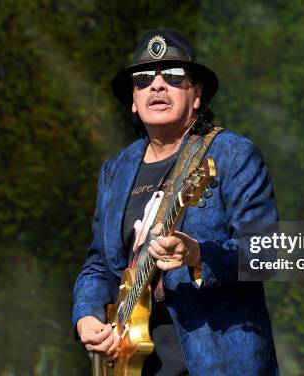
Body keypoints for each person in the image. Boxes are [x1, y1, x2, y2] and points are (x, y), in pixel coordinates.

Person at [72, 28, 279, 375]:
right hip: (134, 362)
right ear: (133, 103)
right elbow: (97, 265)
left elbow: (265, 252)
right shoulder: (116, 170)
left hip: (217, 362)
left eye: (172, 76)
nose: (156, 85)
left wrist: (199, 255)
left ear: (196, 94)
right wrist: (86, 316)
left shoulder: (232, 155)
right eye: (142, 79)